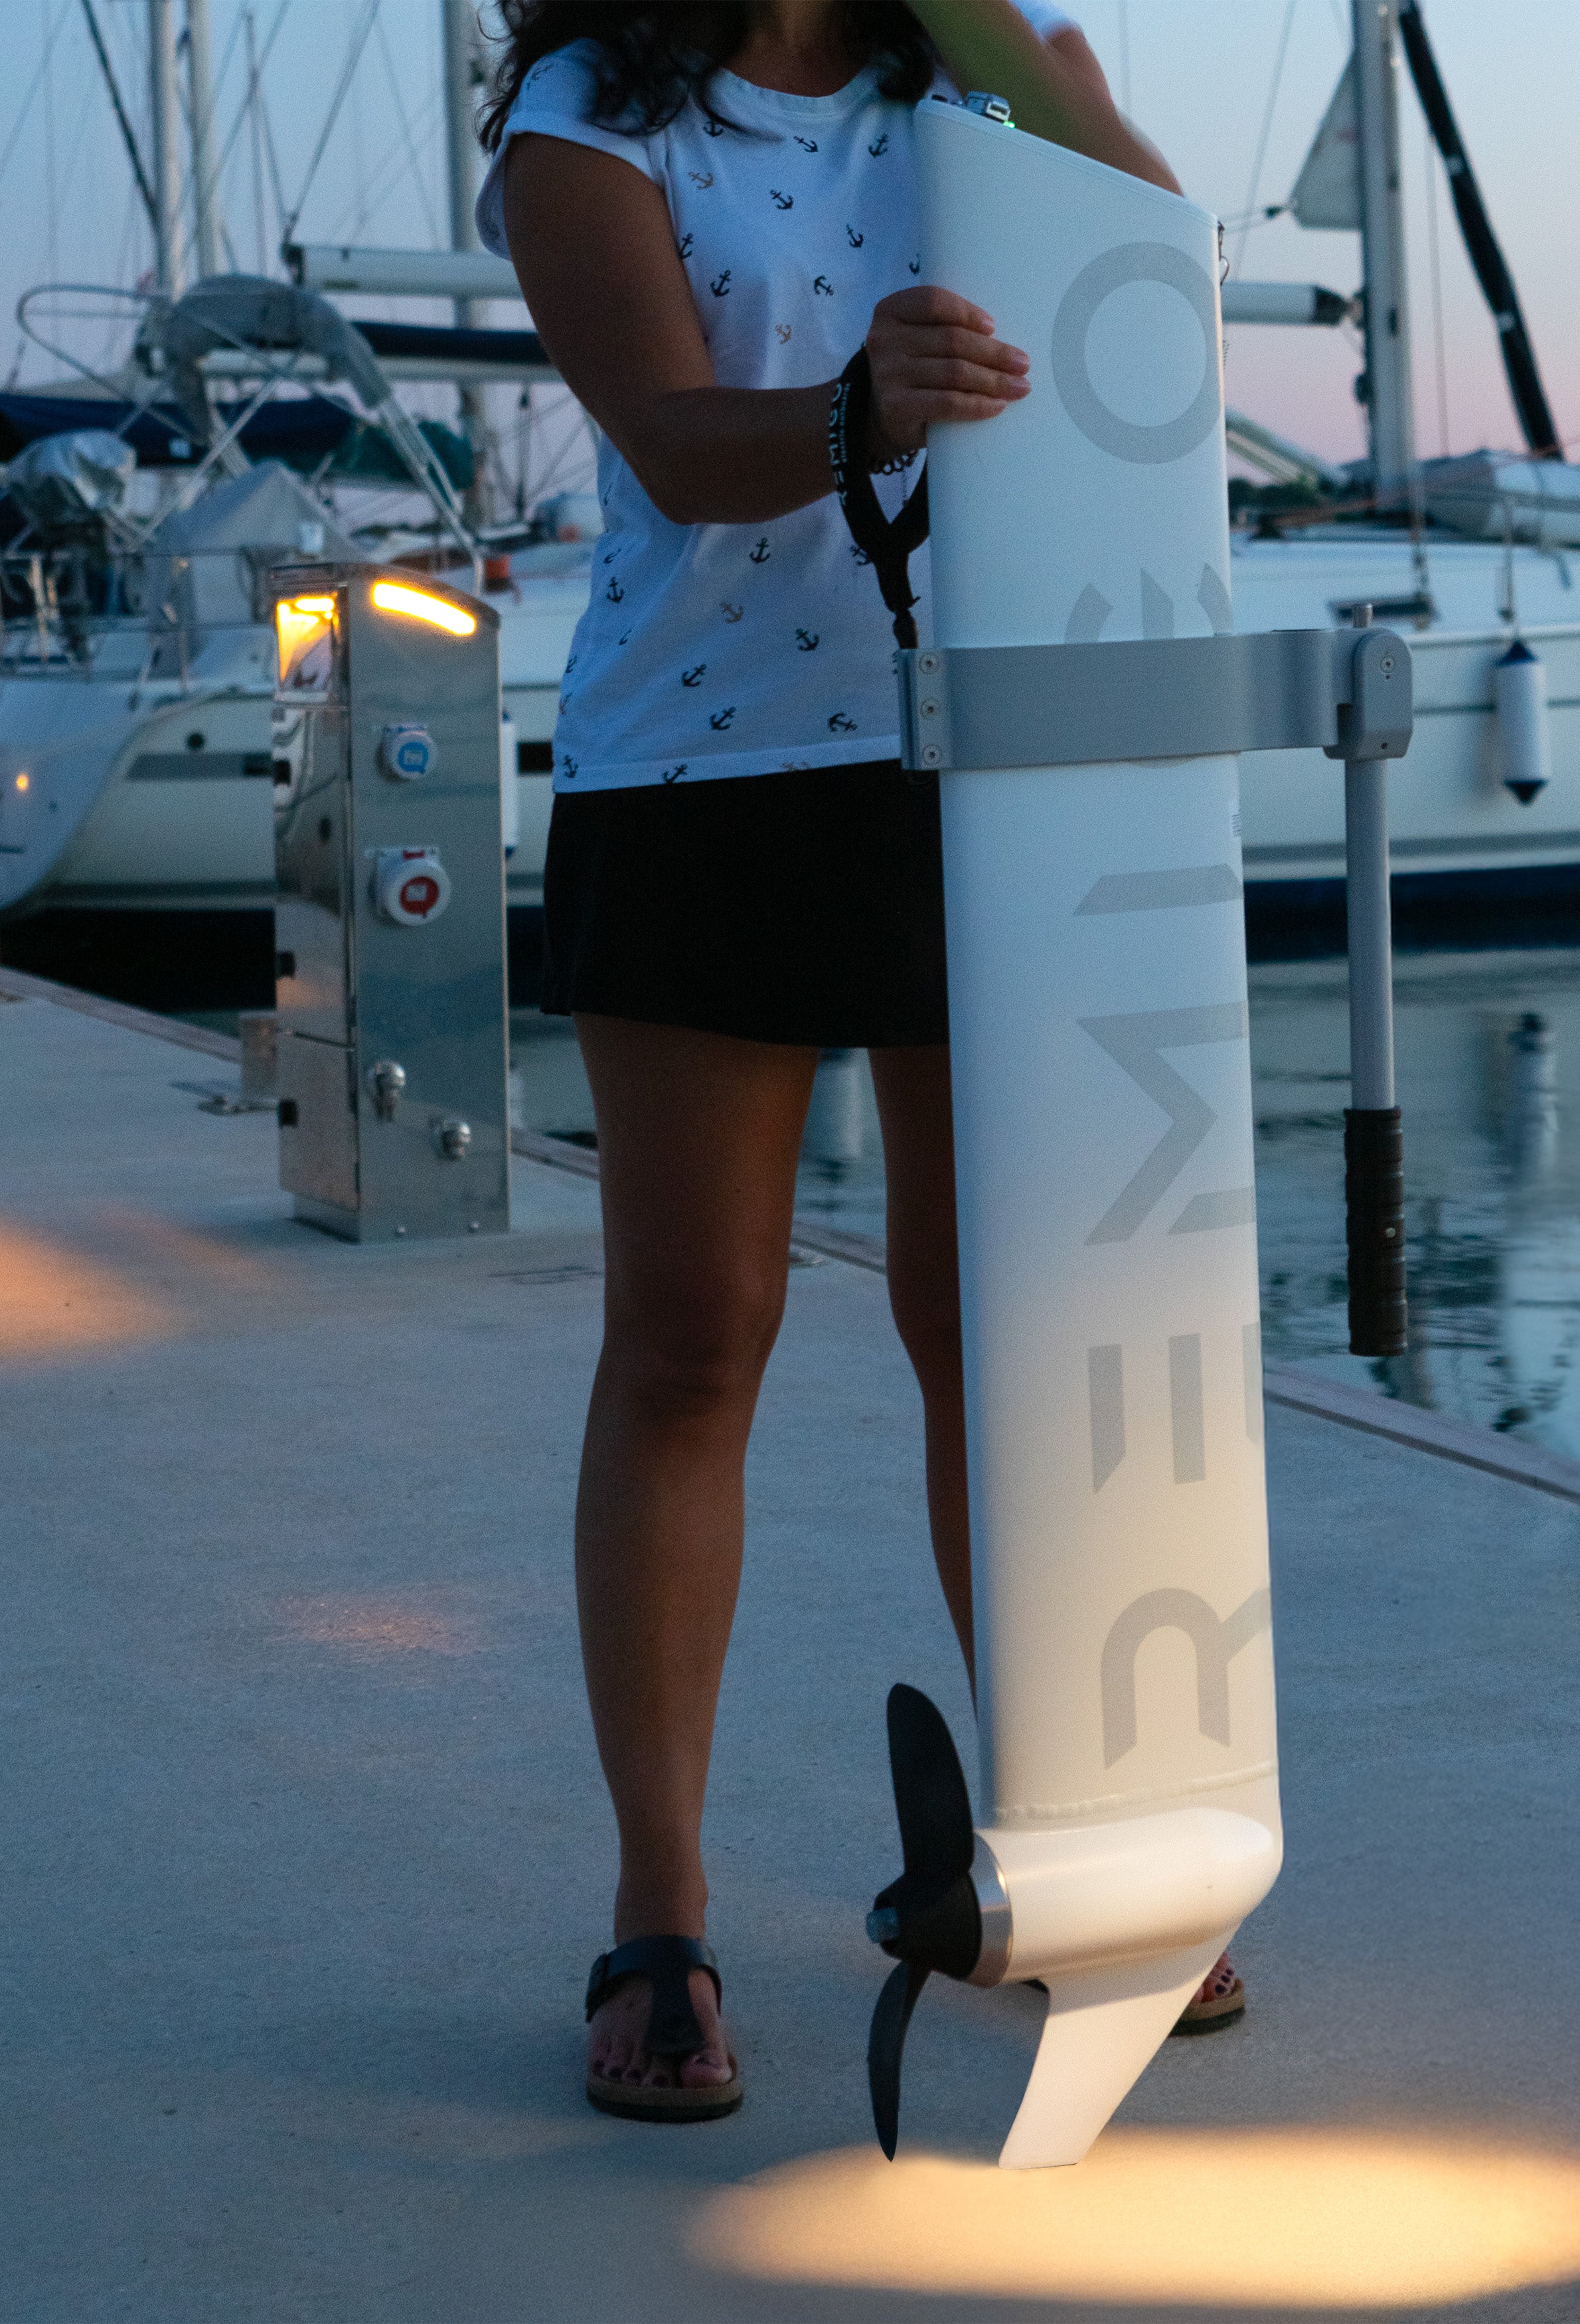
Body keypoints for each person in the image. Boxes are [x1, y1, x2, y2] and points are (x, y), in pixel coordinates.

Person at [479, 0, 1245, 2124]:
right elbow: (661, 433)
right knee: (691, 1339)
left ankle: (1076, 1853)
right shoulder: (590, 113)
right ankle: (660, 1915)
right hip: (701, 771)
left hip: (984, 764)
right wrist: (852, 411)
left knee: (990, 1329)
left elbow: (1149, 281)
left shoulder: (975, 76)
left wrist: (1004, 28)